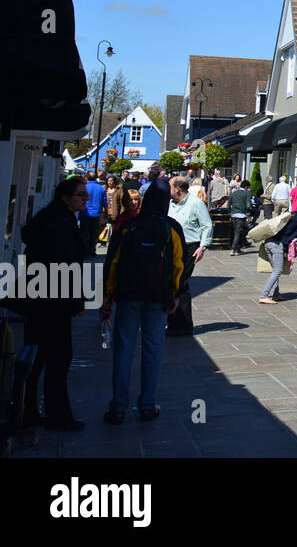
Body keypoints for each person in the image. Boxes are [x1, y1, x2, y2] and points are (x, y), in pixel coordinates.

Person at [101, 176, 184, 423]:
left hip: (127, 295)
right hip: (157, 297)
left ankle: (118, 405)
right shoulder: (171, 229)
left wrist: (107, 296)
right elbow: (179, 265)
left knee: (123, 349)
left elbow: (112, 262)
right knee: (152, 350)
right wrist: (175, 294)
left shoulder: (129, 227)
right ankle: (147, 404)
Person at [20, 177, 89, 431]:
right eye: (81, 195)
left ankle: (28, 410)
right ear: (65, 197)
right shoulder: (61, 223)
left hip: (39, 298)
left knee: (38, 357)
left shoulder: (51, 218)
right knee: (58, 359)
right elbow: (67, 266)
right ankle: (57, 416)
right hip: (53, 301)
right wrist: (77, 302)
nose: (86, 199)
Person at [166, 176, 213, 336]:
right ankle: (172, 322)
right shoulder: (170, 204)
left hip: (188, 247)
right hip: (171, 247)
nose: (168, 189)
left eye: (170, 186)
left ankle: (184, 325)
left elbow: (207, 226)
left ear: (177, 189)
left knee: (181, 284)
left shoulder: (196, 204)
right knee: (172, 283)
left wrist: (202, 247)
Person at [259, 204, 297, 304]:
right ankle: (264, 296)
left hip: (268, 242)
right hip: (277, 246)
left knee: (275, 270)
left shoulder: (291, 215)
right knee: (278, 271)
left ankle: (276, 294)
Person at [82, 171, 107, 255]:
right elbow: (104, 202)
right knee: (93, 233)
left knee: (85, 233)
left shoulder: (84, 187)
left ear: (87, 177)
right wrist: (106, 210)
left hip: (85, 213)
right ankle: (92, 250)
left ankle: (84, 251)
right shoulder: (100, 188)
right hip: (96, 213)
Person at [228, 179, 255, 254]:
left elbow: (229, 203)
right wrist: (248, 213)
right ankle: (233, 249)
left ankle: (237, 249)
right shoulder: (246, 194)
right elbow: (248, 205)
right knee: (238, 232)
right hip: (241, 215)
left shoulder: (234, 193)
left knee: (236, 231)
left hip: (234, 214)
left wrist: (229, 212)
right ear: (246, 187)